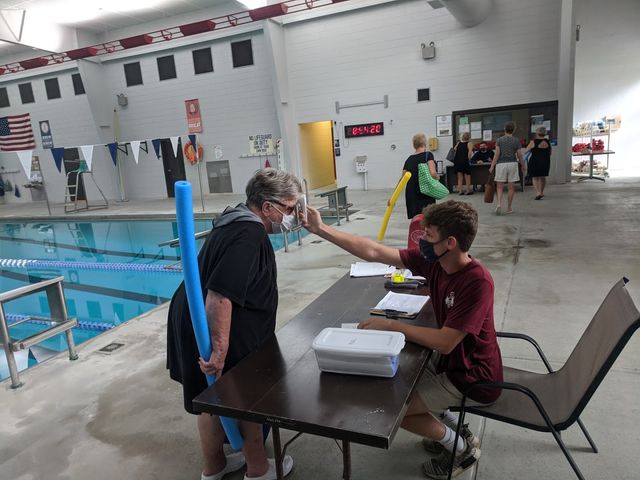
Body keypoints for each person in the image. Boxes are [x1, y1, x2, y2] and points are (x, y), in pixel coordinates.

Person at [303, 200, 503, 480]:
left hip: (471, 376)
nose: (421, 241)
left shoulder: (477, 282)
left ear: (451, 242)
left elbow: (446, 342)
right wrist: (321, 229)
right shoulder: (435, 261)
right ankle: (454, 426)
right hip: (450, 362)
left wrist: (392, 326)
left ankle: (459, 447)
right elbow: (373, 251)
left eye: (429, 236)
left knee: (391, 411)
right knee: (394, 370)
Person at [167, 168, 302, 480]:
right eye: (291, 207)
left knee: (211, 399)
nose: (294, 215)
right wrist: (219, 349)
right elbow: (221, 295)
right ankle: (258, 470)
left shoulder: (235, 219)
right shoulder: (249, 234)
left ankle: (214, 467)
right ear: (268, 207)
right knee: (245, 396)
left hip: (192, 314)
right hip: (210, 319)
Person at [489, 122, 526, 215]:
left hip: (501, 164)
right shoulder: (516, 140)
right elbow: (519, 155)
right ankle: (509, 208)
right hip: (513, 164)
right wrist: (523, 165)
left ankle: (498, 204)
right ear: (513, 130)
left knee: (500, 187)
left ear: (504, 129)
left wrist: (492, 166)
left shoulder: (499, 140)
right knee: (511, 187)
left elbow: (496, 155)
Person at [400, 133, 439, 219]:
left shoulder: (409, 159)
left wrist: (392, 198)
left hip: (411, 194)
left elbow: (402, 180)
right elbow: (433, 173)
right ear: (425, 143)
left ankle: (416, 232)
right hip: (425, 192)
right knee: (428, 219)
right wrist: (437, 178)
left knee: (415, 220)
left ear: (414, 145)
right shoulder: (428, 155)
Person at [524, 126, 552, 200]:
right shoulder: (548, 142)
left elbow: (526, 151)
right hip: (545, 162)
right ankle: (542, 192)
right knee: (542, 177)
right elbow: (550, 153)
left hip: (535, 161)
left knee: (535, 177)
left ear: (537, 133)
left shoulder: (533, 142)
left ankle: (537, 192)